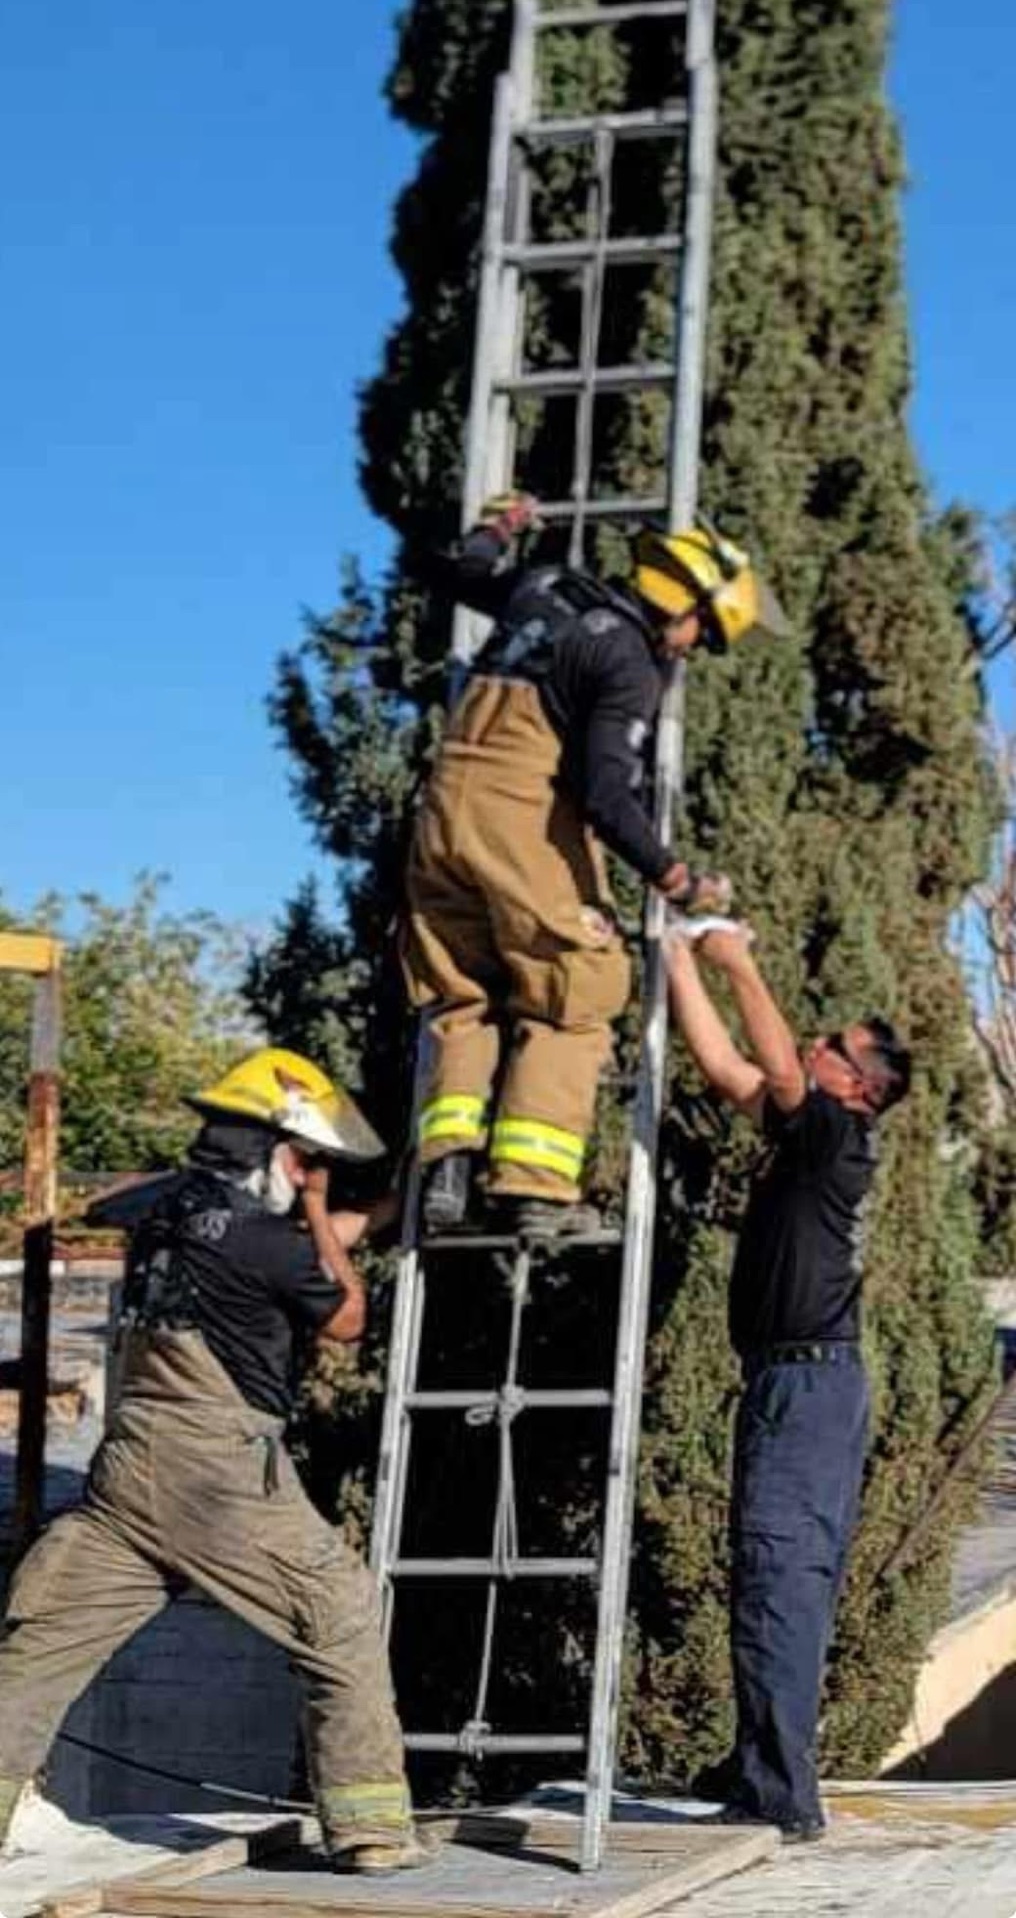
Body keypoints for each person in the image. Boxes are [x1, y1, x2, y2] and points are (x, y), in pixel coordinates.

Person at [0, 1048, 430, 1875]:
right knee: (337, 1610)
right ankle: (372, 1829)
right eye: (311, 1163)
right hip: (217, 1474)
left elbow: (276, 1256)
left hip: (128, 1471)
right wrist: (314, 1204)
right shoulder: (268, 1236)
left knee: (44, 1638)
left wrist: (368, 1216)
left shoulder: (166, 1214)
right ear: (281, 1152)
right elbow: (341, 1313)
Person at [402, 492, 791, 1239]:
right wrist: (677, 878)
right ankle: (533, 1190)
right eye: (701, 635)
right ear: (682, 607)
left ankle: (447, 1167)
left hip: (443, 812)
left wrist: (498, 528)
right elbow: (607, 795)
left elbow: (454, 570)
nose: (688, 651)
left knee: (461, 991)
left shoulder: (549, 588)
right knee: (579, 987)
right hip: (520, 816)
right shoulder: (628, 661)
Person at [664, 920, 911, 1841]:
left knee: (782, 1577)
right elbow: (731, 1066)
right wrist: (679, 959)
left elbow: (773, 1062)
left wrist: (737, 959)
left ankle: (778, 1792)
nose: (813, 1043)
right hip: (793, 1386)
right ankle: (760, 1759)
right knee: (772, 1575)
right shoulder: (809, 1135)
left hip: (810, 1390)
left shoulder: (838, 1134)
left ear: (860, 1084)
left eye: (832, 1046)